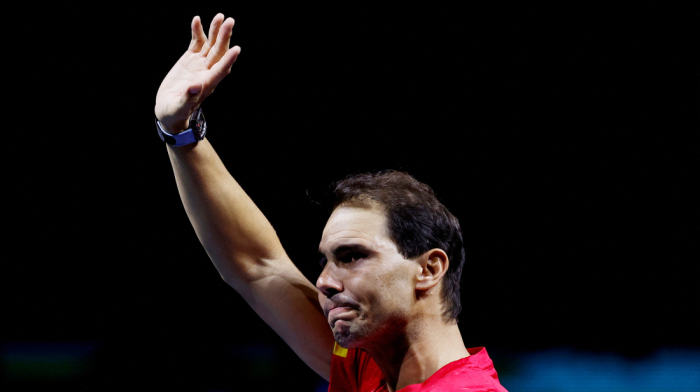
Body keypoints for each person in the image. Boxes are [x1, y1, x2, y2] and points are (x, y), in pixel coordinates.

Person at [154, 13, 508, 392]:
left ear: (428, 268)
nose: (323, 282)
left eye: (353, 256)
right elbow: (257, 266)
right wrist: (181, 132)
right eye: (325, 261)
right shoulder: (370, 364)